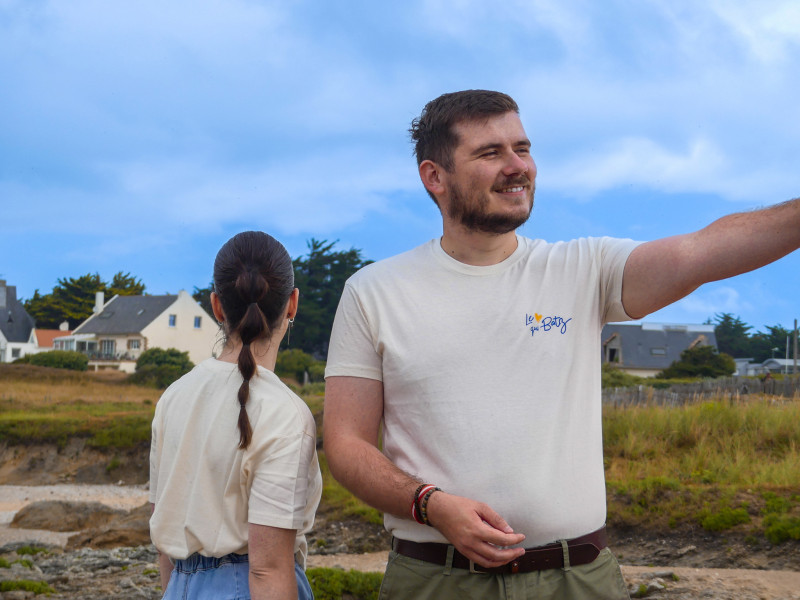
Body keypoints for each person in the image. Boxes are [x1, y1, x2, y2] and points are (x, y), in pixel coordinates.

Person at [322, 90, 800, 600]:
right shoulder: (375, 291)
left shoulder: (583, 269)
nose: (517, 166)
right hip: (434, 579)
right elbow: (346, 443)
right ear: (434, 176)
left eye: (522, 148)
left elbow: (700, 252)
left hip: (578, 579)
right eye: (490, 153)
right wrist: (430, 504)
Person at [150, 231, 322, 600]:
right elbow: (267, 569)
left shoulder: (173, 397)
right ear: (292, 304)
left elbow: (165, 539)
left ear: (216, 306)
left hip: (180, 585)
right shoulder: (286, 413)